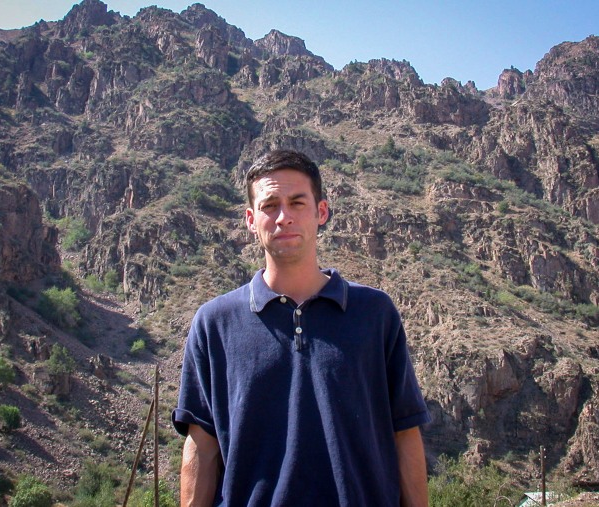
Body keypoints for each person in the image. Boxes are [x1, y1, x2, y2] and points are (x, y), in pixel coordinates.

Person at [173, 149, 430, 506]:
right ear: (250, 219)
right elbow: (202, 445)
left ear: (320, 212)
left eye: (297, 203)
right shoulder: (215, 323)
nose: (283, 218)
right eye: (269, 206)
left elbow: (405, 433)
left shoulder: (374, 314)